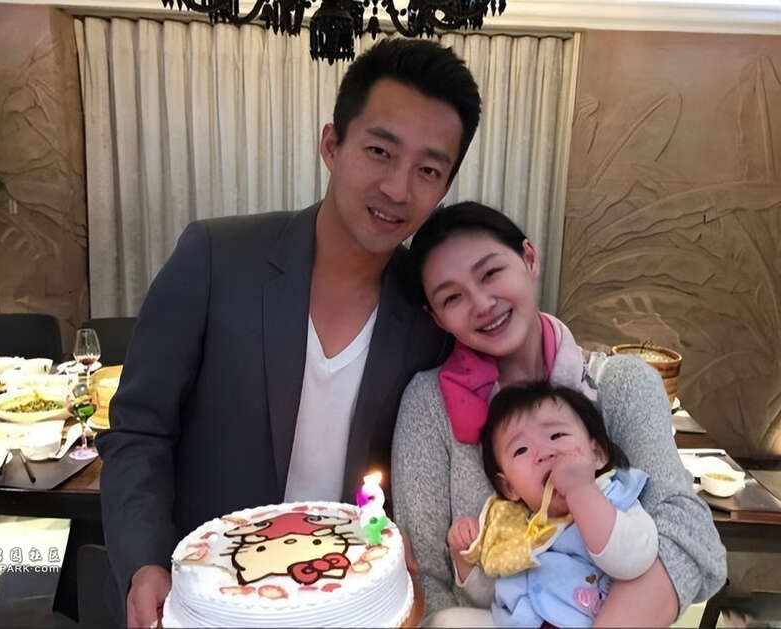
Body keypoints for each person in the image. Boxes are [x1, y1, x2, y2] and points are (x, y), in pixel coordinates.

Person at [96, 39, 481, 628]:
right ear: (331, 144)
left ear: (445, 186)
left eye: (428, 170)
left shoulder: (429, 311)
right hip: (209, 602)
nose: (398, 189)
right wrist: (144, 562)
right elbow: (139, 429)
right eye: (379, 151)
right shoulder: (216, 258)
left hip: (346, 604)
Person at [391, 201, 726, 625]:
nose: (482, 303)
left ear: (529, 258)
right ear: (436, 317)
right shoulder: (429, 405)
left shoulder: (620, 385)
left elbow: (688, 536)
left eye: (490, 273)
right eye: (452, 297)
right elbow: (425, 579)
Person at [442, 382, 659, 627]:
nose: (544, 453)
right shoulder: (516, 528)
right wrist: (465, 560)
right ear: (509, 487)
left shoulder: (612, 497)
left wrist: (582, 491)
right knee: (445, 621)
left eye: (557, 435)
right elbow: (496, 598)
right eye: (521, 449)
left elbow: (634, 561)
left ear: (597, 454)